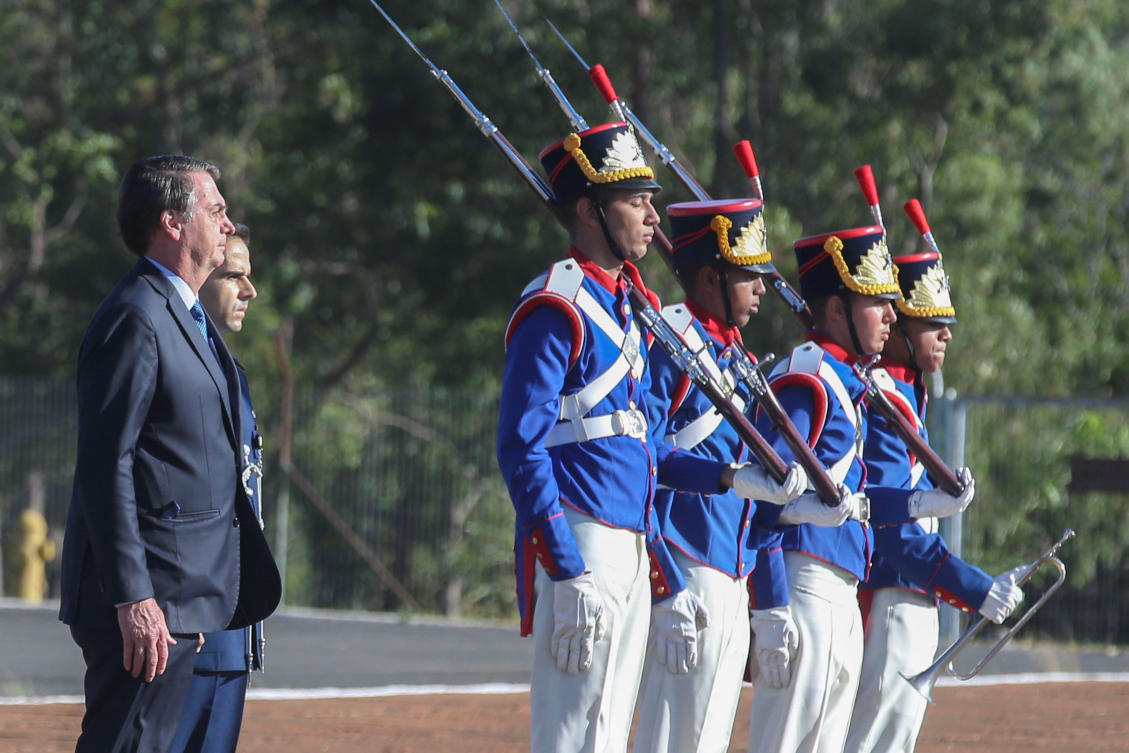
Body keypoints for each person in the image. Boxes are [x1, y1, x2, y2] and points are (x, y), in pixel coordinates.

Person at [496, 123, 807, 753]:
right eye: (635, 201)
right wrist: (566, 565)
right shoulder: (557, 306)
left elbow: (645, 447)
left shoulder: (627, 308)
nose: (650, 213)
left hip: (631, 544)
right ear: (589, 210)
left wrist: (727, 477)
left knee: (606, 735)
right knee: (573, 734)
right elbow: (520, 446)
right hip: (582, 537)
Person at [59, 155, 281, 753]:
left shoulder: (180, 314)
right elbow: (108, 468)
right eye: (217, 211)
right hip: (144, 608)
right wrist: (135, 596)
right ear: (173, 224)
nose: (229, 225)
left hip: (179, 603)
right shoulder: (135, 317)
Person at [745, 220, 974, 753]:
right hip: (804, 584)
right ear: (835, 309)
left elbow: (861, 503)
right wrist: (770, 602)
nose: (893, 316)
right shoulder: (808, 379)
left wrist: (924, 502)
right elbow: (766, 497)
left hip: (841, 588)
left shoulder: (847, 382)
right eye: (877, 302)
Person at [634, 198, 832, 753]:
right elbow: (645, 460)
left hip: (729, 570)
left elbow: (758, 505)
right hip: (685, 559)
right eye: (749, 275)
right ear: (709, 277)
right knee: (673, 738)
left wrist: (768, 601)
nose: (763, 288)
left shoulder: (736, 356)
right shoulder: (674, 342)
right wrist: (664, 580)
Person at [844, 215, 1025, 753]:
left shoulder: (906, 398)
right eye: (929, 322)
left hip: (911, 598)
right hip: (889, 598)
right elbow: (894, 531)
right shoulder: (882, 399)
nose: (946, 333)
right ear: (895, 324)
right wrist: (974, 587)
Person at [172, 222, 265, 753]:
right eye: (234, 276)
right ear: (200, 274)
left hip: (230, 631)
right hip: (188, 623)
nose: (249, 290)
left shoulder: (233, 371)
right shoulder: (176, 361)